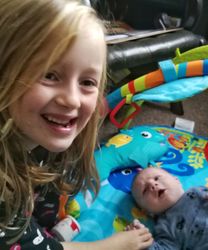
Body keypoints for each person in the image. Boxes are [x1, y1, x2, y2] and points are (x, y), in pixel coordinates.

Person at [0, 0, 153, 249]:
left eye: (88, 82)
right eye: (49, 75)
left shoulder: (32, 129)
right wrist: (117, 244)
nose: (72, 99)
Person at [129, 167, 208, 249]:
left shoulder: (198, 191)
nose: (152, 185)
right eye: (145, 190)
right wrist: (143, 240)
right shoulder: (164, 227)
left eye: (156, 178)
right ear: (147, 212)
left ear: (176, 180)